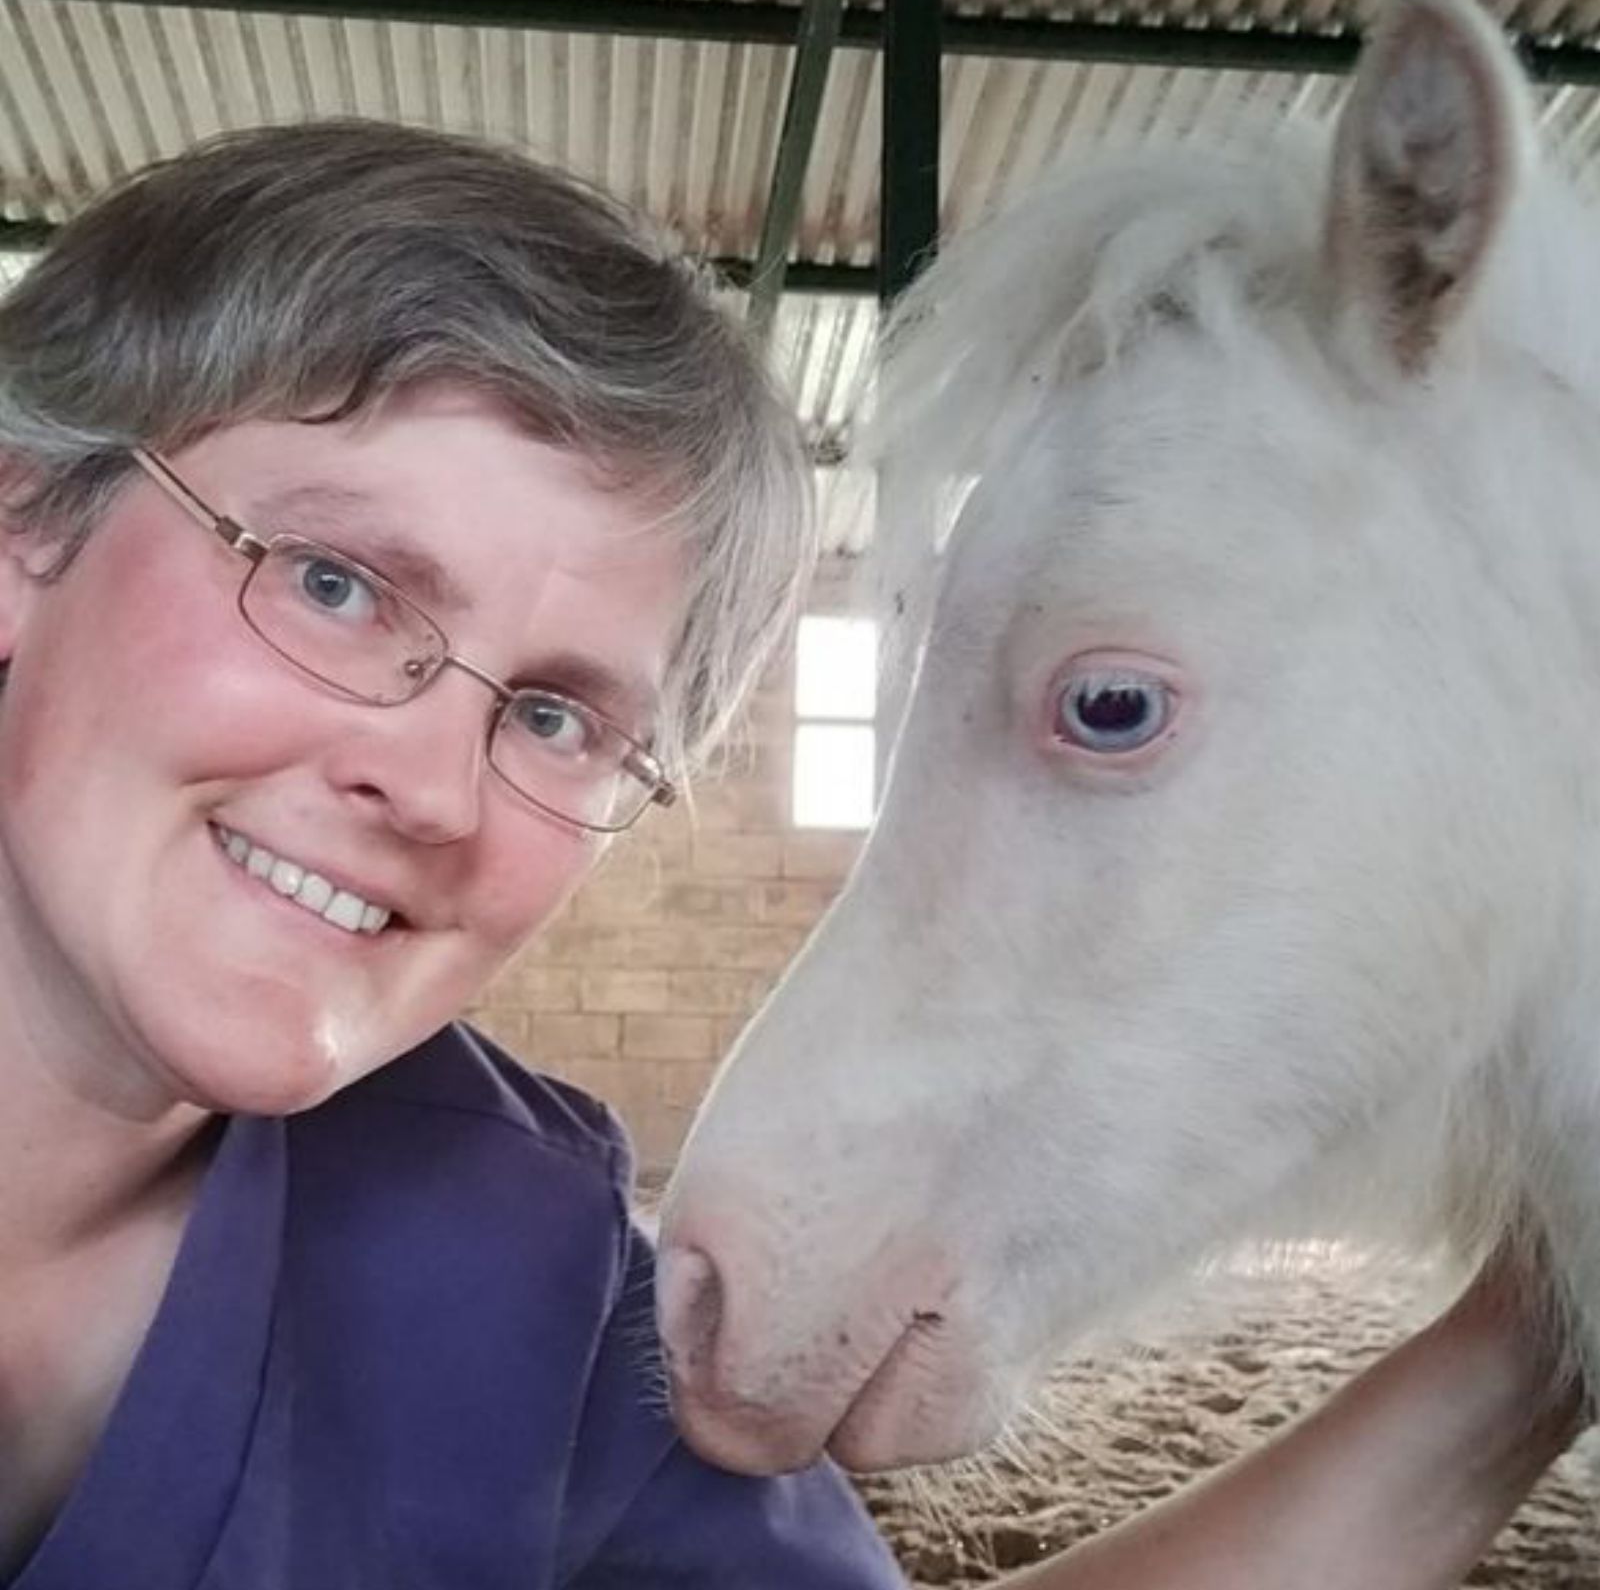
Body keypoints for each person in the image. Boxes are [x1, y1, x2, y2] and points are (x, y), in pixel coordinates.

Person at [0, 117, 1581, 1590]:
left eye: (555, 716)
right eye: (335, 584)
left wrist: (1535, 1340)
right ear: (24, 527)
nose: (436, 787)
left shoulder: (521, 1269)